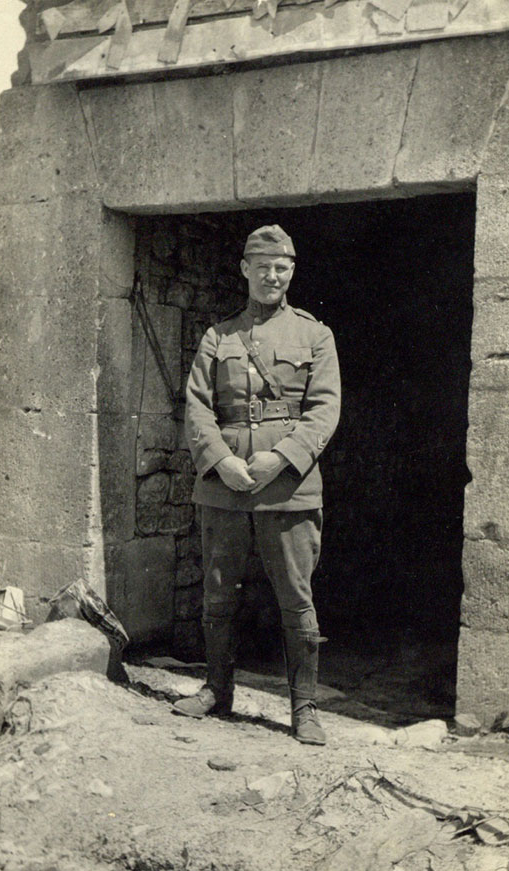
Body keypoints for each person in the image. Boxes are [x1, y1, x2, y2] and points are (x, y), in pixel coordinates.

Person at [173, 225, 341, 745]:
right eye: (262, 266)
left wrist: (281, 459)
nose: (272, 276)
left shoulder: (316, 335)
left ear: (292, 271)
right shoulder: (218, 336)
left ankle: (305, 707)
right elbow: (198, 406)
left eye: (282, 268)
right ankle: (216, 690)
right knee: (218, 595)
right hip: (224, 486)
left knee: (296, 596)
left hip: (288, 486)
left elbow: (324, 409)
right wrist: (220, 461)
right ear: (245, 269)